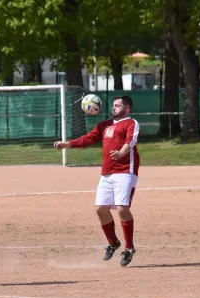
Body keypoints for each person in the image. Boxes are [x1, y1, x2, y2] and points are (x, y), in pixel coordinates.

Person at [54, 95, 140, 267]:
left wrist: (122, 152)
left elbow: (131, 141)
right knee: (101, 209)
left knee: (122, 208)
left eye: (117, 105)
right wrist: (67, 144)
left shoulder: (131, 123)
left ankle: (129, 248)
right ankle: (113, 242)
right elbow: (88, 139)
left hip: (125, 172)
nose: (114, 108)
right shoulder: (104, 125)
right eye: (113, 105)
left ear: (127, 108)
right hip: (107, 173)